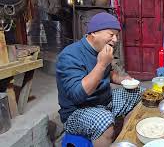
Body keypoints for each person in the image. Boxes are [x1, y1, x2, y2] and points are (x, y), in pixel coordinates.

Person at [56, 12, 141, 147]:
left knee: (138, 92)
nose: (115, 40)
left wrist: (122, 79)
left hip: (103, 101)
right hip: (77, 111)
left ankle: (123, 138)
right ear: (94, 33)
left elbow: (107, 74)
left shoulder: (102, 49)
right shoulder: (69, 55)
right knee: (104, 120)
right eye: (111, 34)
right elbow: (78, 95)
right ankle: (107, 136)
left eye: (117, 35)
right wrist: (102, 64)